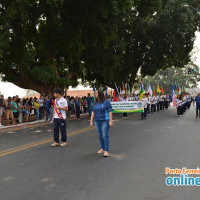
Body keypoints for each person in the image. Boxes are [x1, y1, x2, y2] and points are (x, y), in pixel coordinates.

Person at [90, 90, 113, 157]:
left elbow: (110, 111)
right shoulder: (95, 103)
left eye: (96, 93)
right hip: (97, 121)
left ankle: (106, 150)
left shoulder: (106, 102)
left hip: (105, 121)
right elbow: (93, 112)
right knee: (100, 135)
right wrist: (91, 120)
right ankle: (102, 148)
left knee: (105, 135)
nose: (95, 94)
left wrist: (110, 121)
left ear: (99, 94)